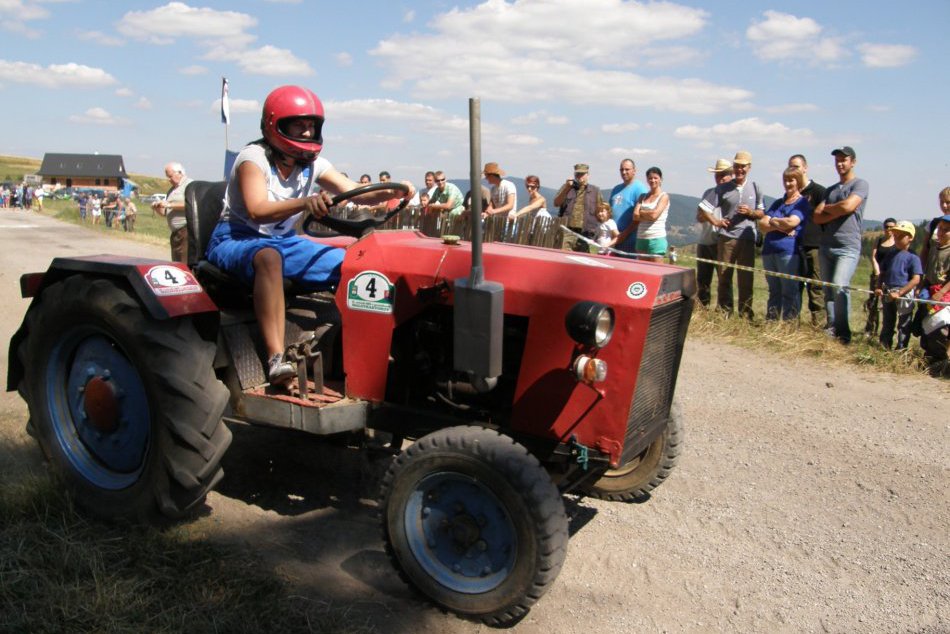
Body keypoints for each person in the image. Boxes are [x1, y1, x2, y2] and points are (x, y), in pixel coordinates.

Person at [206, 85, 413, 385]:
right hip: (237, 238)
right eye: (298, 125)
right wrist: (305, 203)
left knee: (354, 265)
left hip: (284, 241)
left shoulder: (313, 165)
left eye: (311, 126)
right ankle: (277, 360)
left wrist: (395, 189)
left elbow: (355, 193)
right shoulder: (253, 158)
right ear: (275, 125)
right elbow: (257, 210)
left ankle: (360, 346)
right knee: (269, 258)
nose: (306, 132)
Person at [813, 146, 869, 344]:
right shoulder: (830, 190)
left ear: (853, 162)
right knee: (828, 289)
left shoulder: (860, 184)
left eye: (844, 160)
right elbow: (817, 217)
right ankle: (832, 327)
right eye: (837, 160)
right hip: (827, 244)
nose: (840, 163)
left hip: (848, 246)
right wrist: (837, 210)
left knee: (840, 286)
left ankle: (844, 333)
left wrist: (830, 209)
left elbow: (849, 206)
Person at [698, 151, 764, 319]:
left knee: (746, 279)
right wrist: (717, 222)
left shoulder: (755, 187)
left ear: (749, 167)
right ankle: (725, 313)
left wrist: (751, 212)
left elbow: (761, 213)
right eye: (737, 166)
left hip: (747, 239)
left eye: (743, 166)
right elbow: (703, 209)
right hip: (727, 238)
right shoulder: (722, 188)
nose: (739, 170)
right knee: (724, 277)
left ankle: (745, 315)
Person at [757, 167, 810, 321]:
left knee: (789, 290)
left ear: (798, 181)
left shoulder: (802, 203)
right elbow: (762, 224)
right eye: (785, 180)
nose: (788, 183)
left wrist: (773, 221)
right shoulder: (778, 202)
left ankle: (789, 325)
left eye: (791, 180)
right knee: (774, 290)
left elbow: (792, 221)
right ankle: (772, 321)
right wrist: (781, 225)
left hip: (788, 252)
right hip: (769, 251)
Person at [788, 154, 827, 326]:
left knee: (816, 287)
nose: (793, 170)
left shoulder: (819, 191)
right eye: (790, 167)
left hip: (814, 246)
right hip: (795, 246)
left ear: (805, 168)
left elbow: (825, 218)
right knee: (795, 286)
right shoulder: (791, 193)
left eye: (796, 166)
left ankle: (818, 325)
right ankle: (792, 322)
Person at [875, 221, 922, 350]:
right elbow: (882, 273)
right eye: (895, 235)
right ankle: (884, 346)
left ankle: (901, 350)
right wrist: (879, 287)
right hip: (888, 291)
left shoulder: (913, 257)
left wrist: (900, 293)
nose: (896, 238)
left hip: (904, 293)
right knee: (887, 321)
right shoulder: (890, 254)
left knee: (904, 323)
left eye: (901, 236)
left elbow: (916, 279)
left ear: (910, 238)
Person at [695, 159, 733, 307]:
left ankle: (725, 309)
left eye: (724, 175)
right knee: (703, 280)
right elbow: (699, 215)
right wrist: (712, 219)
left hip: (722, 242)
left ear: (730, 175)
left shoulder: (732, 194)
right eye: (718, 175)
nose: (720, 178)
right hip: (705, 240)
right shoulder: (708, 193)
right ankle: (703, 308)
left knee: (724, 279)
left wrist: (706, 215)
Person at [919, 213, 950, 373]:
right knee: (925, 324)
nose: (942, 232)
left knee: (939, 324)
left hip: (944, 293)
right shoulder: (934, 248)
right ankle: (930, 357)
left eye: (947, 230)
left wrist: (942, 292)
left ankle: (940, 360)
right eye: (940, 229)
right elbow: (929, 270)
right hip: (930, 289)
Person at [618, 166, 669, 262]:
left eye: (655, 178)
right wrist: (648, 214)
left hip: (656, 238)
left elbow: (654, 215)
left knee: (656, 271)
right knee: (642, 270)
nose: (652, 180)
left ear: (660, 179)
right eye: (650, 178)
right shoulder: (643, 196)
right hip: (641, 238)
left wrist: (642, 213)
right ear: (647, 180)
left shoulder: (664, 197)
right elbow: (635, 216)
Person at [554, 163, 604, 251]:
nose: (580, 176)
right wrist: (567, 188)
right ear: (574, 174)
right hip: (567, 232)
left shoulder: (595, 191)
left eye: (582, 174)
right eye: (578, 174)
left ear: (588, 175)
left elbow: (600, 210)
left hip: (585, 233)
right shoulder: (567, 187)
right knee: (564, 259)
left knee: (581, 260)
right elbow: (556, 203)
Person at [152, 162, 193, 263]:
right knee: (176, 263)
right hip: (175, 233)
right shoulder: (171, 190)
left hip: (185, 231)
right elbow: (165, 213)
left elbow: (191, 205)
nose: (168, 179)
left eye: (170, 176)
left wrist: (169, 205)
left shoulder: (189, 185)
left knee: (184, 264)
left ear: (179, 172)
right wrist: (157, 207)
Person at [864, 218, 897, 336]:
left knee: (887, 305)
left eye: (891, 227)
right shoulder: (878, 241)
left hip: (890, 278)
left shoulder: (897, 242)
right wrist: (877, 272)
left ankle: (886, 330)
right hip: (877, 275)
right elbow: (873, 257)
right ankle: (870, 328)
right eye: (886, 226)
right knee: (873, 303)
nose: (889, 229)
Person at [609, 159, 648, 257]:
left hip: (631, 242)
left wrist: (623, 235)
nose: (624, 172)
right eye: (621, 170)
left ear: (634, 171)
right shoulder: (616, 189)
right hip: (614, 241)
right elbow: (609, 211)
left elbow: (639, 218)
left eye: (627, 169)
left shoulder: (639, 189)